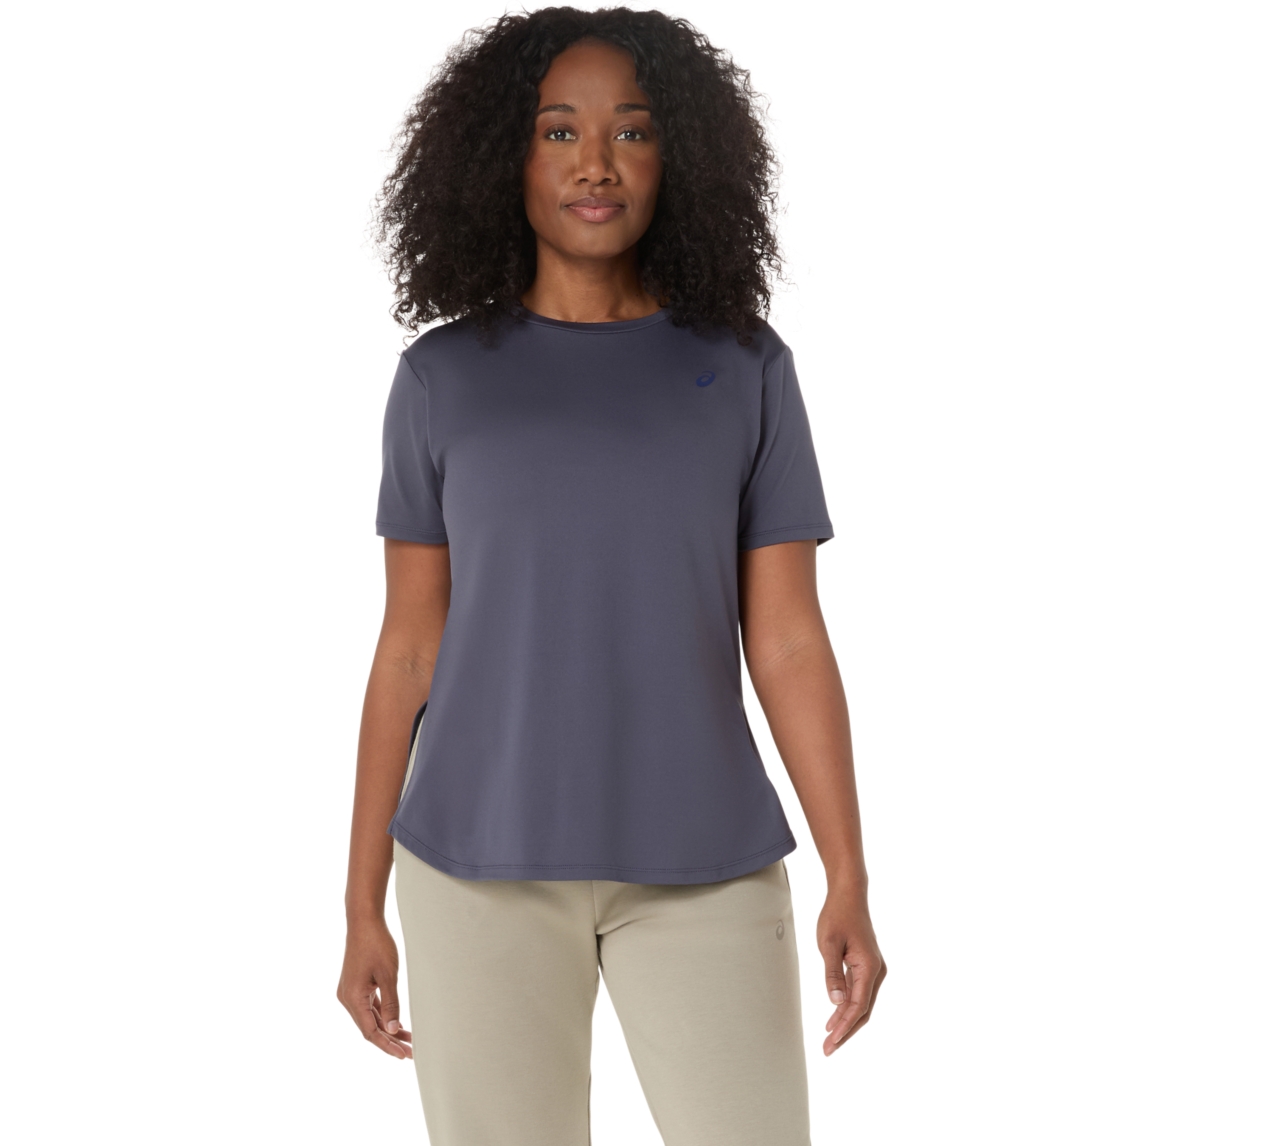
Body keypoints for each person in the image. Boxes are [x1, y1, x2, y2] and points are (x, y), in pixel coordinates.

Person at [337, 8, 885, 1143]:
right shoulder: (442, 379)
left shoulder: (746, 369)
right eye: (559, 132)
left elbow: (787, 638)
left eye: (632, 131)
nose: (596, 163)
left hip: (706, 862)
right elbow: (409, 646)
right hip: (474, 866)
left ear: (678, 155)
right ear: (504, 158)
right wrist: (359, 902)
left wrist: (848, 873)